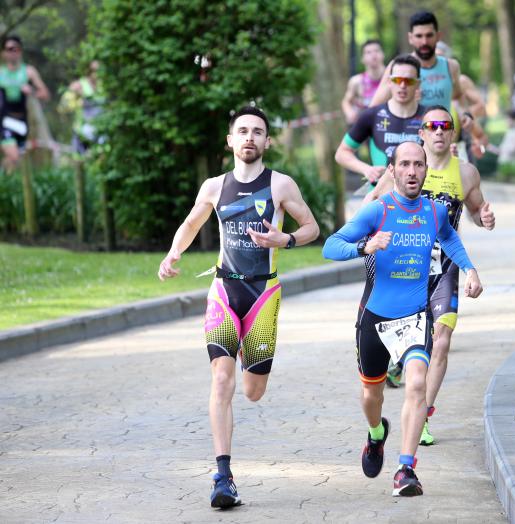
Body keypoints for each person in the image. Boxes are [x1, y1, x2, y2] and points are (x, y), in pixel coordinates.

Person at [157, 106, 320, 509]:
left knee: (253, 391)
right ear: (230, 141)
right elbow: (193, 222)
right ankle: (223, 476)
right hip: (224, 293)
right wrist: (174, 252)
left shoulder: (281, 184)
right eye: (242, 131)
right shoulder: (215, 186)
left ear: (267, 142)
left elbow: (312, 227)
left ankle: (251, 355)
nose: (249, 137)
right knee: (222, 383)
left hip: (263, 296)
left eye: (257, 132)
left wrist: (286, 241)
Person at [322, 140, 483, 497]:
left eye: (419, 165)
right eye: (405, 165)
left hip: (415, 315)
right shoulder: (376, 212)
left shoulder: (434, 212)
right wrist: (365, 246)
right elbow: (330, 246)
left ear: (426, 170)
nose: (412, 171)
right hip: (375, 317)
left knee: (415, 385)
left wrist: (470, 269)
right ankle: (377, 433)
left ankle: (405, 469)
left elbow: (450, 239)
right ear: (392, 170)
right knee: (371, 395)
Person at [365, 106, 495, 445]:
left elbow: (478, 213)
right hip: (406, 271)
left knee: (442, 341)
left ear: (453, 133)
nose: (439, 131)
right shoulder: (404, 169)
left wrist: (485, 217)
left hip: (445, 273)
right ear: (420, 132)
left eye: (445, 126)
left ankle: (422, 414)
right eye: (432, 126)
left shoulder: (466, 173)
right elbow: (372, 204)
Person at [369, 11, 474, 135]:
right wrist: (404, 98)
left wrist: (466, 114)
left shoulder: (451, 66)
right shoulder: (398, 67)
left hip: (440, 139)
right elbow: (374, 109)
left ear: (438, 36)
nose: (424, 42)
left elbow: (458, 96)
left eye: (429, 35)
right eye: (419, 36)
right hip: (408, 141)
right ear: (410, 38)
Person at [334, 54, 425, 186]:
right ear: (389, 82)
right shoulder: (372, 115)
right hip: (381, 198)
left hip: (419, 199)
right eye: (397, 80)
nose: (403, 85)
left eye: (409, 81)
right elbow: (342, 153)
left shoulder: (429, 117)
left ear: (418, 84)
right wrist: (366, 169)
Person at [0, 35, 50, 173]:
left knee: (14, 163)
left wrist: (32, 91)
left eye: (15, 49)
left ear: (20, 51)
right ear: (3, 52)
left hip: (22, 123)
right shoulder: (1, 73)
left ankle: (6, 187)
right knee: (14, 156)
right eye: (9, 49)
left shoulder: (28, 72)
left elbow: (45, 94)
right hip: (4, 122)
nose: (12, 52)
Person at [58, 60, 104, 156]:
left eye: (99, 71)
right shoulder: (78, 85)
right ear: (88, 70)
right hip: (82, 132)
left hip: (101, 132)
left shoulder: (104, 85)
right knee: (81, 163)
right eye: (93, 70)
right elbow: (62, 107)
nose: (96, 74)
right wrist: (78, 102)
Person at [341, 39, 386, 125]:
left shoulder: (393, 79)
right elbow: (346, 101)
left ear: (383, 54)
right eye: (368, 52)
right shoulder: (356, 81)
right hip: (366, 127)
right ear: (362, 59)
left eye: (377, 51)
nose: (373, 55)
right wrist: (349, 113)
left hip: (387, 125)